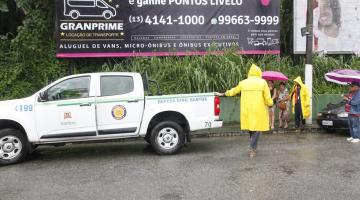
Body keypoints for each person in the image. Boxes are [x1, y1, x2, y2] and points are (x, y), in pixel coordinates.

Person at [218, 64, 273, 157]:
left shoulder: (243, 82)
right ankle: (252, 147)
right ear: (258, 72)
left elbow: (234, 91)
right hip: (258, 110)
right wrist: (270, 103)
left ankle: (253, 145)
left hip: (247, 110)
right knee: (257, 129)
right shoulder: (263, 82)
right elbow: (267, 97)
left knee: (251, 128)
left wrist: (225, 93)